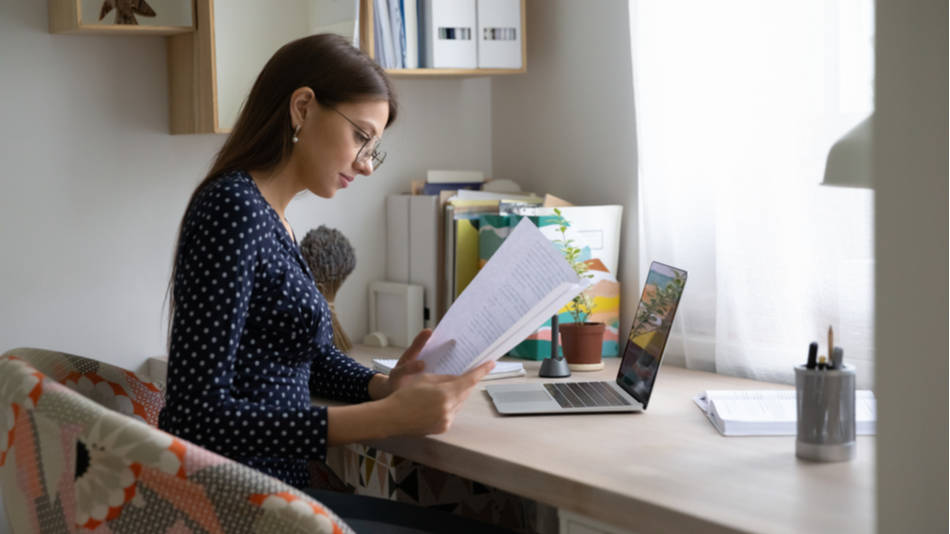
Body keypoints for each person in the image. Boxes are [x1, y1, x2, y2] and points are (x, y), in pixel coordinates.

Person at [158, 34, 505, 533]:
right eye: (361, 137)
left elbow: (303, 357)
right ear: (302, 107)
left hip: (279, 496)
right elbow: (197, 416)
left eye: (374, 149)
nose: (366, 164)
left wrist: (383, 386)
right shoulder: (232, 209)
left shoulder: (271, 216)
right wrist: (387, 418)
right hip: (241, 509)